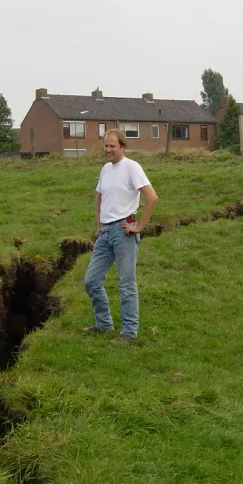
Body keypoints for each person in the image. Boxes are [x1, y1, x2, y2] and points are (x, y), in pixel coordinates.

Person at [84, 129, 158, 343]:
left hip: (124, 231)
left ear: (122, 147)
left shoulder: (132, 167)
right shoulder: (105, 169)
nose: (108, 150)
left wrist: (139, 226)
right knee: (91, 280)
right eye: (106, 146)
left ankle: (129, 333)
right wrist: (99, 225)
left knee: (126, 284)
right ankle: (104, 324)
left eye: (112, 146)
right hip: (105, 233)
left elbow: (152, 197)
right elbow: (99, 199)